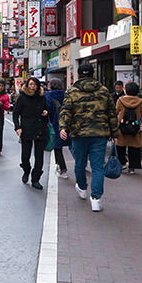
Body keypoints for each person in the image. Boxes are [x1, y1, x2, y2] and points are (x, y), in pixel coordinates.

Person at [59, 63, 119, 212]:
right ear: (93, 75)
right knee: (97, 166)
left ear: (78, 76)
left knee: (79, 163)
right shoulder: (104, 91)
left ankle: (82, 188)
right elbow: (112, 114)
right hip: (100, 134)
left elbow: (65, 111)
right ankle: (96, 200)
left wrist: (63, 127)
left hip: (79, 134)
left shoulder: (72, 92)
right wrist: (114, 133)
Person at [12, 76, 49, 190]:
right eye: (30, 84)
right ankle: (26, 170)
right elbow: (15, 114)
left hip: (40, 128)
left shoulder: (41, 97)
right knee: (25, 155)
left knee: (39, 156)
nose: (32, 87)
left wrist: (46, 112)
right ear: (27, 85)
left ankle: (36, 179)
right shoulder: (22, 98)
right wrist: (18, 128)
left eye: (35, 84)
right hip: (27, 129)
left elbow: (47, 109)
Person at [116, 82, 142, 174]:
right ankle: (132, 167)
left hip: (122, 127)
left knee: (120, 146)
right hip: (135, 127)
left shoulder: (120, 100)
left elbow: (116, 112)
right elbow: (140, 113)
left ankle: (122, 163)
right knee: (134, 147)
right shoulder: (139, 101)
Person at [45, 78, 69, 178]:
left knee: (57, 146)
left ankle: (62, 168)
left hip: (55, 123)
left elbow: (48, 110)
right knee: (71, 146)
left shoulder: (49, 96)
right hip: (67, 123)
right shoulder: (66, 95)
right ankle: (60, 166)